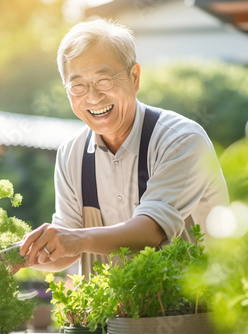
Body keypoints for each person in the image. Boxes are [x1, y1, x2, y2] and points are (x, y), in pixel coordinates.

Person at [15, 18, 228, 276]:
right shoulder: (72, 154)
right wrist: (25, 254)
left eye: (104, 80)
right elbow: (64, 251)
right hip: (113, 316)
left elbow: (150, 230)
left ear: (134, 77)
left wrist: (75, 239)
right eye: (78, 85)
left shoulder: (181, 140)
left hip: (195, 311)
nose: (93, 97)